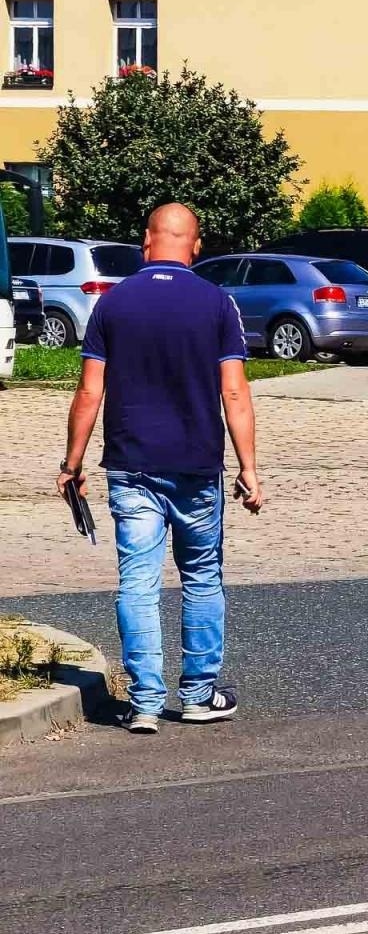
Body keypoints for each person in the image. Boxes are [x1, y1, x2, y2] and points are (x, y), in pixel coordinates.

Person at [56, 204, 264, 735]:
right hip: (197, 467)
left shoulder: (112, 303)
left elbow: (90, 391)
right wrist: (249, 468)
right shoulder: (219, 303)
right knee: (201, 579)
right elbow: (234, 390)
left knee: (138, 583)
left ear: (146, 242)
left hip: (131, 466)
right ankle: (197, 695)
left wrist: (72, 463)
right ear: (195, 246)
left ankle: (146, 702)